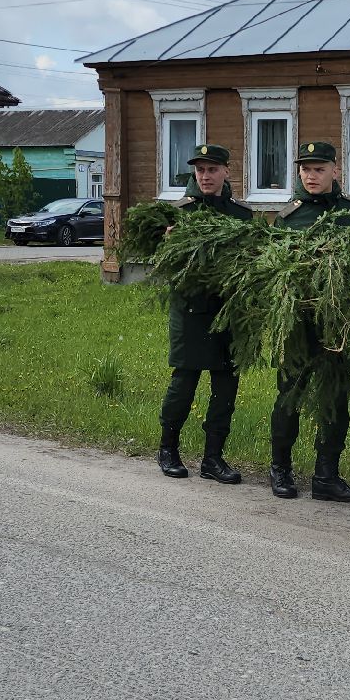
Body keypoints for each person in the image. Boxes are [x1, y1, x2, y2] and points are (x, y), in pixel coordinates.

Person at [268, 140, 350, 503]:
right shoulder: (288, 218)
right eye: (306, 169)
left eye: (319, 169)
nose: (312, 175)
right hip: (297, 324)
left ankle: (326, 475)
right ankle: (280, 469)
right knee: (289, 395)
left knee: (336, 396)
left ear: (335, 171)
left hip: (338, 324)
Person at [157, 144, 253, 486]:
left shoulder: (241, 215)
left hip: (229, 314)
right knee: (184, 382)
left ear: (226, 171)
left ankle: (213, 458)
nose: (205, 176)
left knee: (225, 387)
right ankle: (168, 448)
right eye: (200, 170)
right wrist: (168, 247)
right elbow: (161, 267)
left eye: (212, 169)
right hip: (191, 312)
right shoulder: (179, 215)